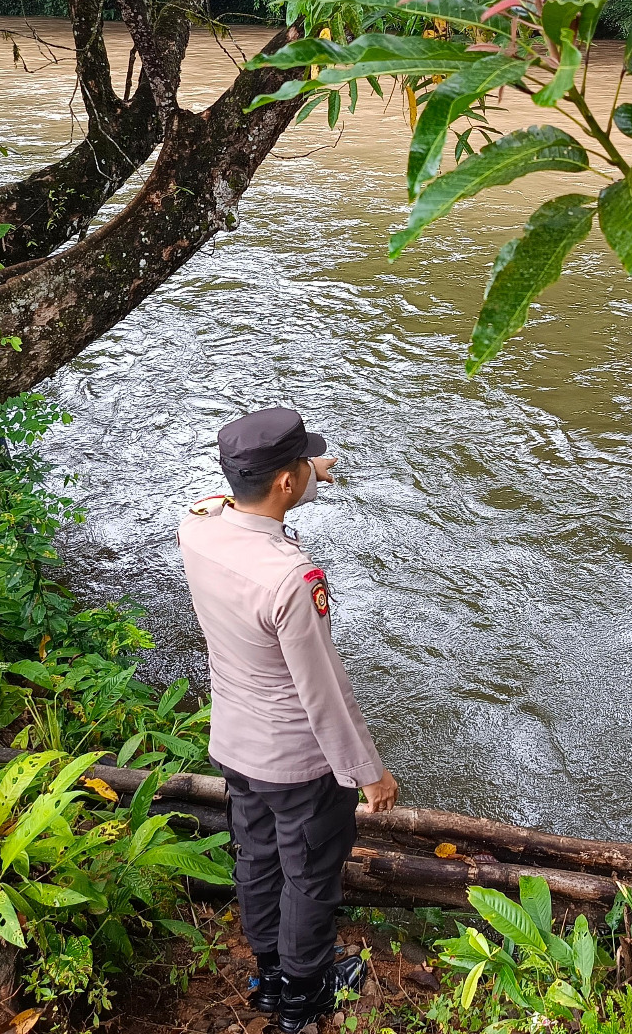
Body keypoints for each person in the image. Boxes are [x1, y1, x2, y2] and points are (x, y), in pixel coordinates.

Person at [178, 406, 399, 1033]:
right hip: (297, 761)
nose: (310, 470)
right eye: (303, 464)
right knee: (310, 875)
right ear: (284, 481)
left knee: (256, 855)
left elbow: (223, 499)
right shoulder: (293, 578)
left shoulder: (196, 530)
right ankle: (303, 997)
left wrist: (306, 472)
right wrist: (368, 773)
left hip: (235, 741)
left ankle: (269, 973)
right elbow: (322, 691)